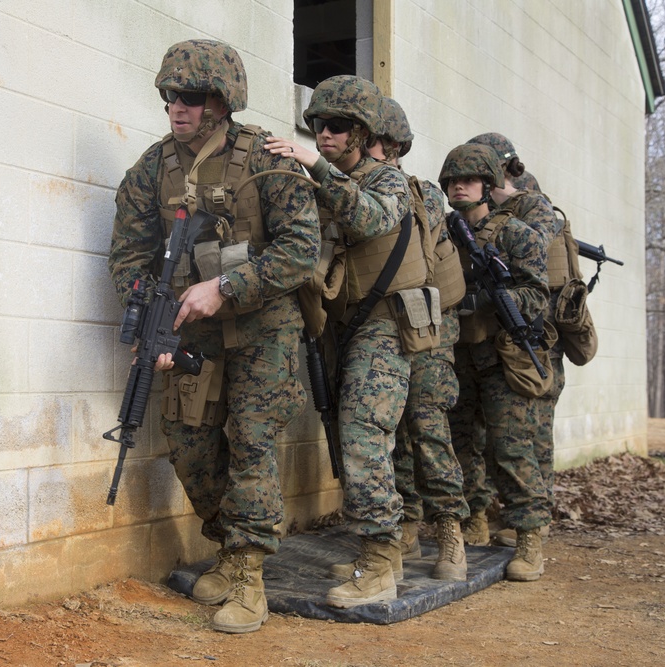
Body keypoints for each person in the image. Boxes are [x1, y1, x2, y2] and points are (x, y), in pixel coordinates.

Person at [107, 39, 321, 633]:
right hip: (192, 330)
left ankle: (250, 577)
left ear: (223, 103)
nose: (179, 106)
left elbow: (302, 250)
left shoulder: (267, 160)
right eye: (172, 95)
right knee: (189, 443)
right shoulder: (152, 169)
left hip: (263, 327)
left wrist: (225, 287)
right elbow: (128, 255)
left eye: (194, 97)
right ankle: (227, 548)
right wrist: (149, 317)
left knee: (251, 442)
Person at [266, 75, 423, 606]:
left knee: (361, 435)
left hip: (383, 325)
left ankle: (379, 564)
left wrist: (316, 166)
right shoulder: (323, 179)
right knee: (343, 432)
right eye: (317, 126)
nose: (323, 135)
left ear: (361, 134)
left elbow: (372, 218)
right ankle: (386, 554)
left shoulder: (388, 181)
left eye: (335, 128)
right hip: (339, 326)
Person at [439, 144, 551, 581]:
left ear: (488, 184)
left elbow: (538, 294)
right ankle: (474, 519)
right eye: (452, 181)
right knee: (460, 443)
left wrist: (489, 298)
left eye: (468, 179)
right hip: (457, 355)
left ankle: (529, 537)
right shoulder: (444, 234)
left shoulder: (517, 233)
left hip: (503, 355)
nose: (459, 186)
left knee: (512, 447)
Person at [375, 97, 469, 580]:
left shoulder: (420, 194)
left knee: (428, 429)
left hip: (425, 328)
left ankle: (450, 531)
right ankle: (404, 524)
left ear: (390, 145)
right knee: (385, 437)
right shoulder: (359, 188)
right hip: (377, 330)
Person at [467, 133, 562, 547]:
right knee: (483, 431)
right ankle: (487, 510)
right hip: (487, 333)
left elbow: (536, 252)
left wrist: (500, 208)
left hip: (532, 328)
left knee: (529, 429)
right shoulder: (472, 210)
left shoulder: (531, 204)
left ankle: (534, 521)